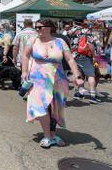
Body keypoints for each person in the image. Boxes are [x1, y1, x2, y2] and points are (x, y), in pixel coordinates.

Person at [21, 19, 81, 148]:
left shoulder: (60, 42)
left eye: (40, 27)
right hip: (37, 79)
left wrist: (77, 75)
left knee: (54, 107)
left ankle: (53, 134)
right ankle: (47, 135)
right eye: (36, 27)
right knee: (39, 105)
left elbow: (70, 59)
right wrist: (24, 71)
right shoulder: (32, 40)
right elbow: (25, 56)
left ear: (49, 28)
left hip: (57, 79)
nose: (37, 30)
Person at [68, 20, 102, 103]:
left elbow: (68, 37)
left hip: (74, 55)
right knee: (91, 75)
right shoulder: (92, 33)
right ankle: (92, 96)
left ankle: (78, 93)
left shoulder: (75, 31)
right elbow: (92, 46)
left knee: (78, 74)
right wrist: (94, 56)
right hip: (87, 56)